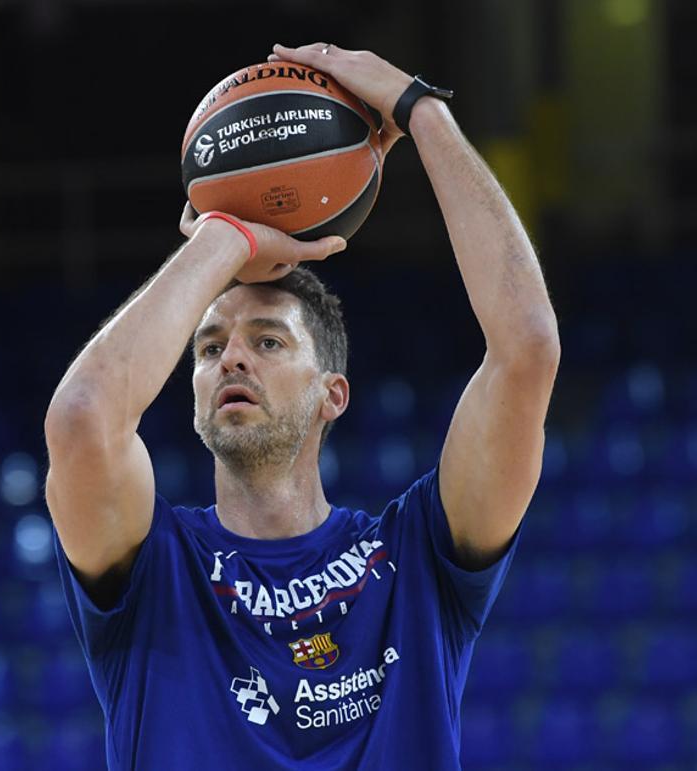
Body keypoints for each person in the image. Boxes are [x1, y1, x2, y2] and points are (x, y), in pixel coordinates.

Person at [43, 41, 560, 770]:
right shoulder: (156, 567)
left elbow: (528, 348)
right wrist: (224, 241)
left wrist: (421, 111)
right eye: (210, 345)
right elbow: (80, 419)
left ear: (332, 393)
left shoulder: (413, 560)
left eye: (269, 341)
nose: (233, 357)